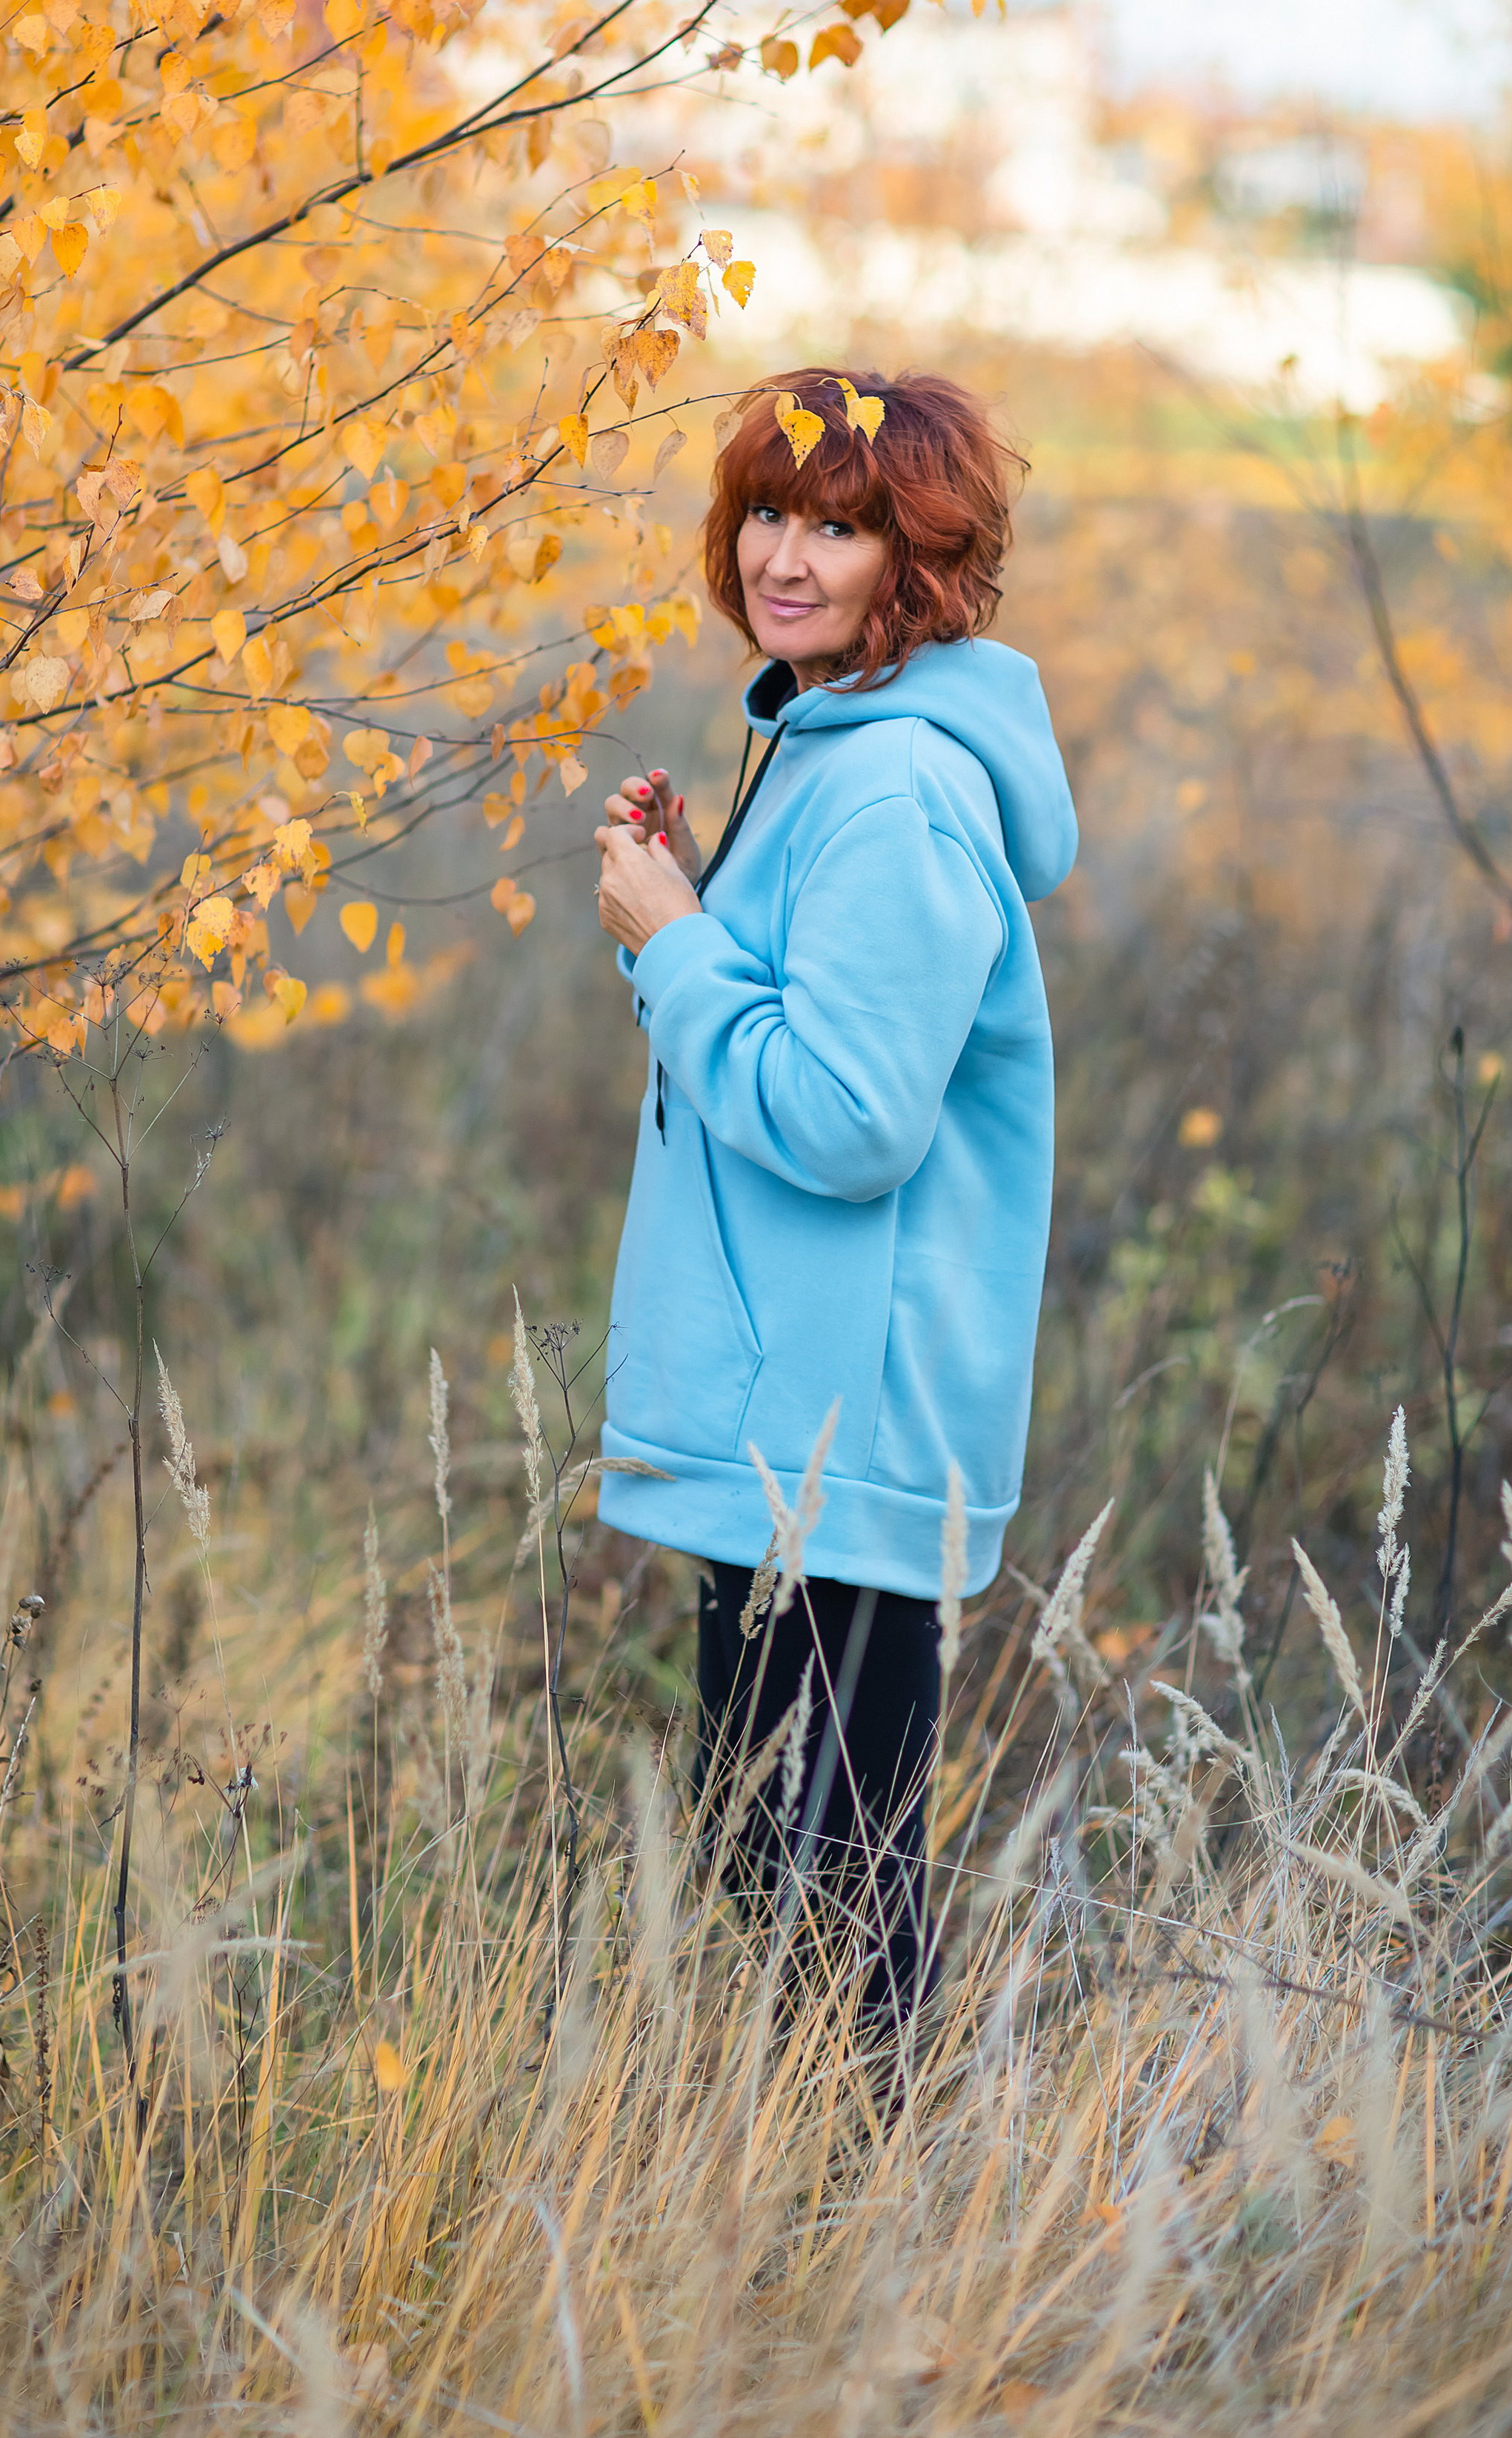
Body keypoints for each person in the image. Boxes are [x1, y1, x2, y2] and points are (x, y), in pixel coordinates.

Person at [592, 366, 1078, 2032]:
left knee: (834, 1897)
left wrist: (676, 942)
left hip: (842, 1432)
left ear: (917, 562)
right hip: (792, 1422)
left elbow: (850, 1119)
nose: (784, 560)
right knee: (781, 1871)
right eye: (768, 518)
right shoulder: (818, 743)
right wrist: (689, 917)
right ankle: (828, 2230)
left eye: (842, 528)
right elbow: (782, 1037)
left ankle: (887, 2241)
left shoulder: (895, 792)